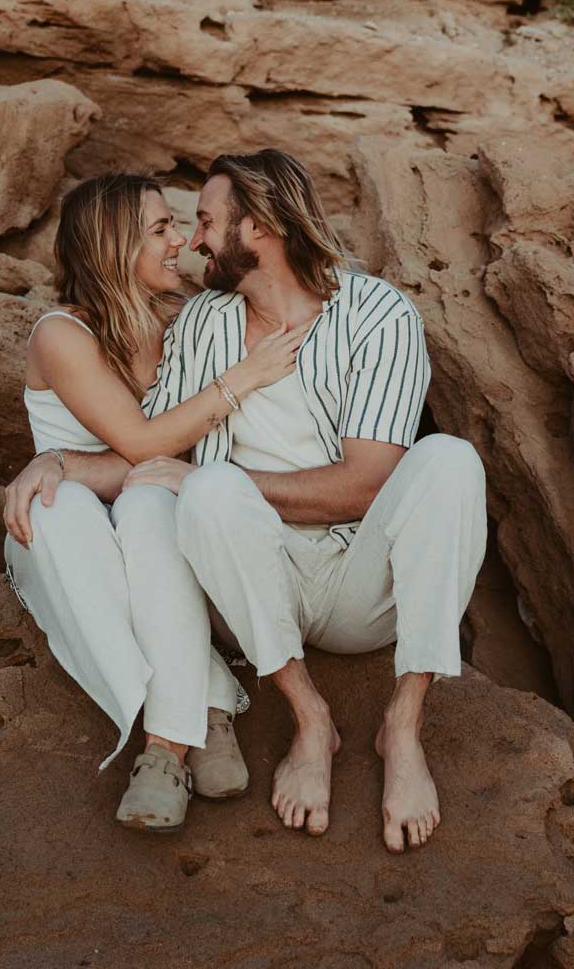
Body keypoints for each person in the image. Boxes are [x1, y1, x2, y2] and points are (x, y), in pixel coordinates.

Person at [137, 149, 487, 853]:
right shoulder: (202, 322)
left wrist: (232, 484)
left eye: (206, 222)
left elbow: (367, 483)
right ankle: (309, 718)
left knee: (450, 459)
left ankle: (403, 725)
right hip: (253, 587)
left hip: (362, 582)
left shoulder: (377, 313)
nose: (196, 241)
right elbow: (151, 445)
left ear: (260, 227)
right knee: (208, 488)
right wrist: (55, 464)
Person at [2, 172, 307, 832]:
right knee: (55, 509)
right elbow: (144, 444)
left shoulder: (185, 316)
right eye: (162, 228)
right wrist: (242, 379)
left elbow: (177, 459)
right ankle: (210, 702)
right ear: (114, 245)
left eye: (179, 225)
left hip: (154, 513)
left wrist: (70, 460)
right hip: (74, 529)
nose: (181, 242)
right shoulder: (62, 334)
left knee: (150, 504)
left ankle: (165, 749)